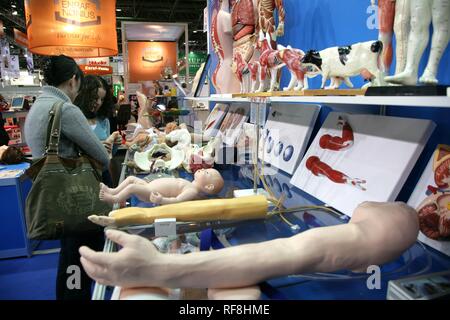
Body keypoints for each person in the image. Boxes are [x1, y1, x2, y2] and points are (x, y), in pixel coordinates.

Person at [79, 201, 419, 293]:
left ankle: (156, 267)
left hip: (361, 241)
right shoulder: (395, 220)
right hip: (362, 240)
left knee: (292, 253)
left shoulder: (397, 224)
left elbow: (283, 256)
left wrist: (158, 268)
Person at [24, 55, 110, 300]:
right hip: (77, 197)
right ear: (73, 80)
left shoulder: (39, 105)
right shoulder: (64, 109)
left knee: (70, 257)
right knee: (80, 258)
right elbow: (102, 158)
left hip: (57, 195)